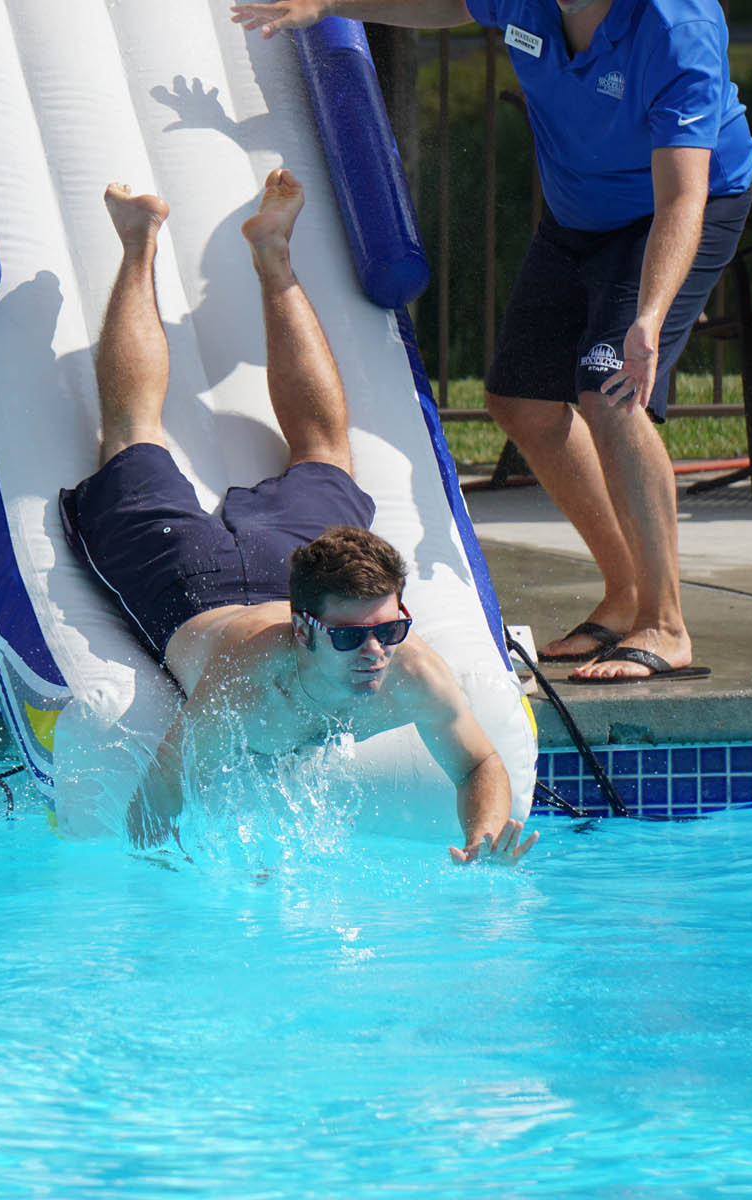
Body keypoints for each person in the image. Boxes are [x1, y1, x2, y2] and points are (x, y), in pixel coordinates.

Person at [233, 0, 752, 683]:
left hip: (677, 209)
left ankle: (667, 623)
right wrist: (329, 5)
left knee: (610, 390)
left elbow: (683, 198)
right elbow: (444, 4)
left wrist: (649, 317)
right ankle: (626, 593)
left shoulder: (675, 27)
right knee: (522, 401)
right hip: (579, 213)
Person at [59, 169, 536, 864]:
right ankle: (139, 241)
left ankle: (273, 252)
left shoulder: (411, 668)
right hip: (192, 583)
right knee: (131, 437)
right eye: (354, 640)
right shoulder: (244, 691)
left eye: (392, 629)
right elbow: (160, 795)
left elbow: (478, 767)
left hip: (291, 554)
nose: (378, 653)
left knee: (326, 454)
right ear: (304, 629)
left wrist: (482, 833)